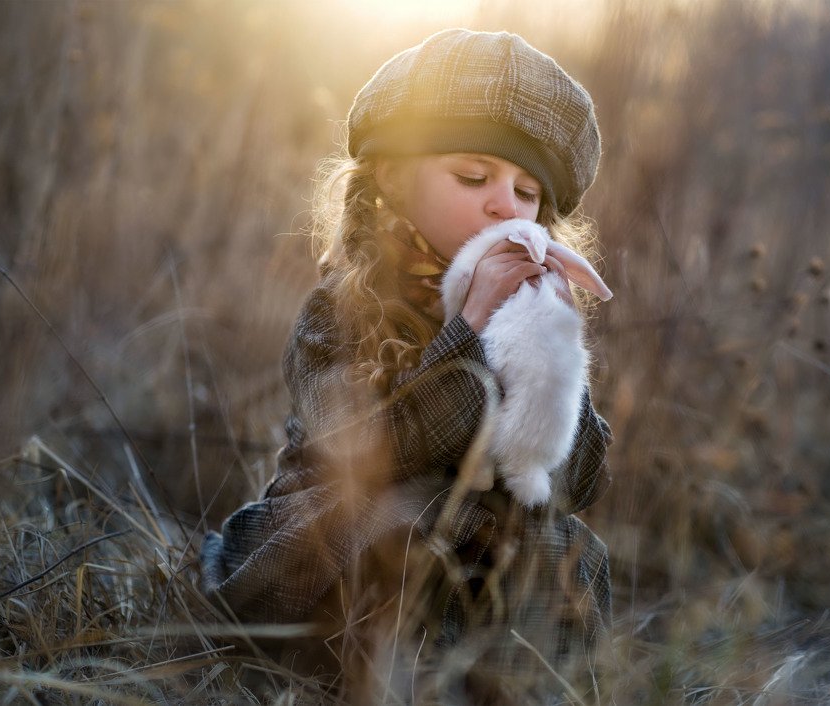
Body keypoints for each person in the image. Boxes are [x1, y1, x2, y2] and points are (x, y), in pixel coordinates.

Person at [200, 28, 613, 704]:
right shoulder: (340, 310)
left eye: (528, 192)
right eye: (473, 177)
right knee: (403, 519)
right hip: (334, 544)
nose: (504, 206)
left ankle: (502, 687)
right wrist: (467, 332)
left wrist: (556, 353)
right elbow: (368, 454)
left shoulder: (529, 315)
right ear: (393, 175)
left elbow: (577, 481)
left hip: (476, 554)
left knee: (569, 550)